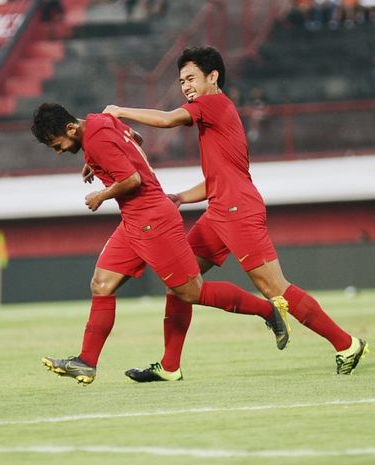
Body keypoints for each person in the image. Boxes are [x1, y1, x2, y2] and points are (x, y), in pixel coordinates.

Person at [103, 46, 369, 377]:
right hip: (219, 211)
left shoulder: (212, 103)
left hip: (238, 211)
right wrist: (183, 197)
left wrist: (119, 111)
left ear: (212, 77)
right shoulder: (214, 114)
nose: (186, 86)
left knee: (276, 289)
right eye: (182, 81)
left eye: (191, 78)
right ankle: (170, 366)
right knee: (182, 285)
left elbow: (168, 120)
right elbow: (221, 178)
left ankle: (346, 344)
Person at [31, 102, 290, 385]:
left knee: (191, 292)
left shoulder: (95, 137)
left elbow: (133, 179)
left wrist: (101, 194)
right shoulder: (99, 120)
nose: (59, 151)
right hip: (133, 221)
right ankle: (86, 362)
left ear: (71, 128)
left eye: (58, 145)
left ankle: (269, 310)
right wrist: (97, 161)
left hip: (153, 219)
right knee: (101, 284)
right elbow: (135, 140)